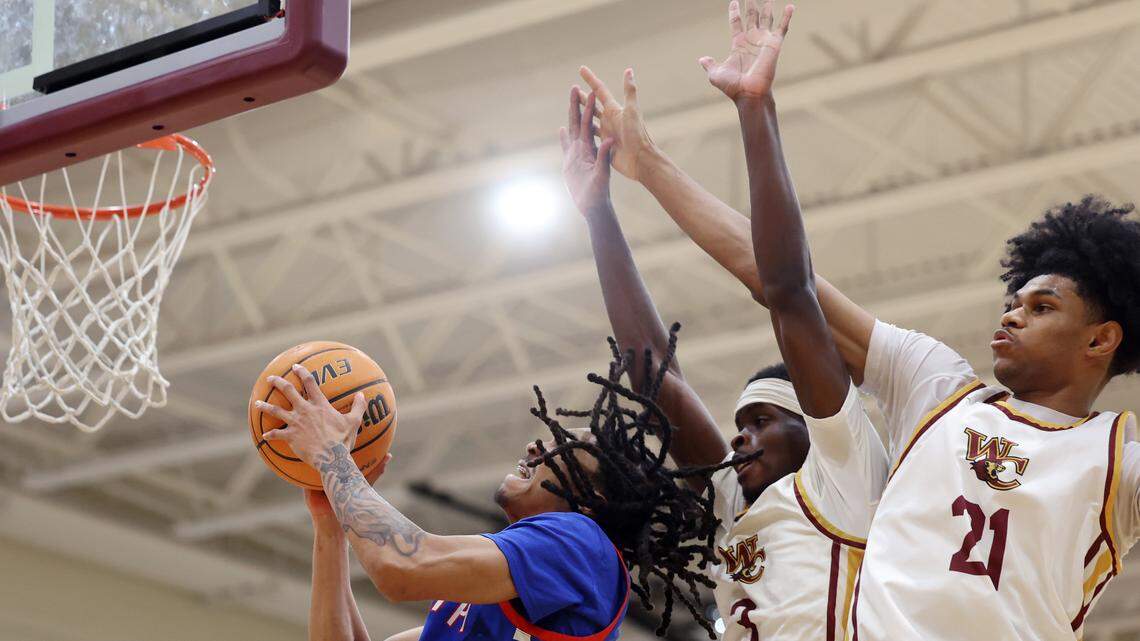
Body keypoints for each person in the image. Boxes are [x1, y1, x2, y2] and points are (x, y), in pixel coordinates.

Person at [591, 0, 1140, 637]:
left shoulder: (1113, 462)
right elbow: (782, 282)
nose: (1012, 316)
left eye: (1041, 308)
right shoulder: (939, 388)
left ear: (1101, 338)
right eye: (1012, 302)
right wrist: (656, 165)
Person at [561, 3, 887, 636]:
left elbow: (791, 292)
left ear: (814, 426)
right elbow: (654, 376)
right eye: (742, 425)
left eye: (761, 422)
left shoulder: (842, 467)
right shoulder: (734, 501)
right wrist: (598, 213)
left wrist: (753, 107)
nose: (738, 439)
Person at [255, 336, 740, 641]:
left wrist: (334, 458)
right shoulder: (484, 593)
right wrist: (330, 530)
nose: (536, 446)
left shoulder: (580, 544)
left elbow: (401, 567)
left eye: (568, 448)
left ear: (597, 502)